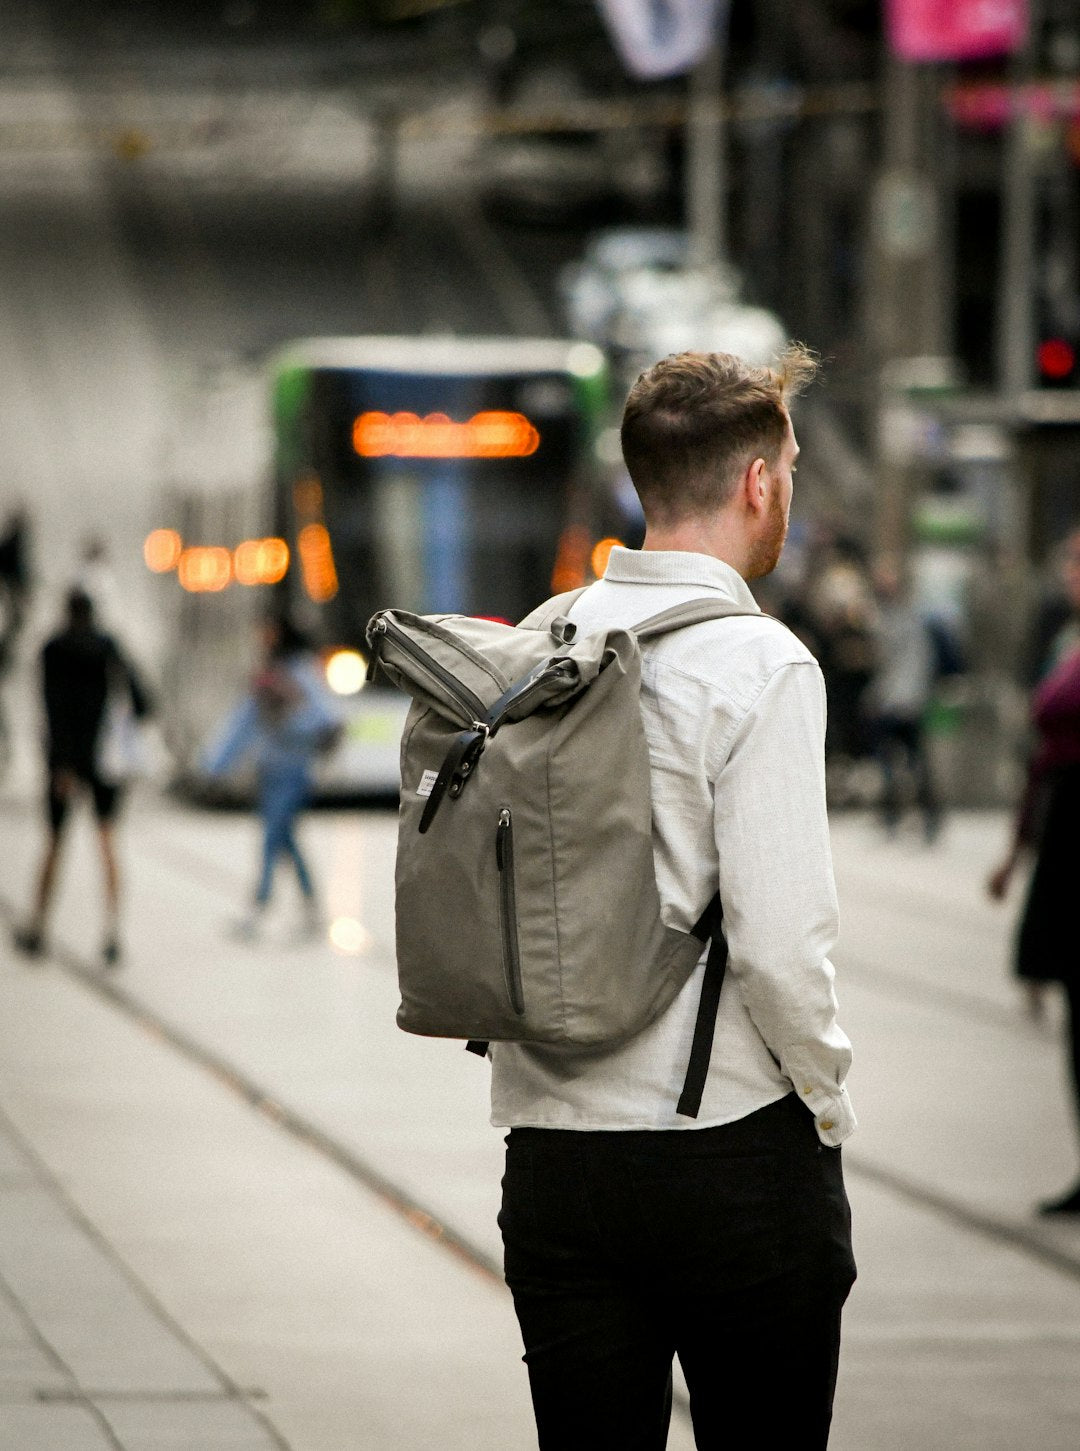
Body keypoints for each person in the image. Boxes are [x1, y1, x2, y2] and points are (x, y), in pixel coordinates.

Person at [492, 348, 857, 1450]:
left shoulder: (542, 637)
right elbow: (784, 947)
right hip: (729, 1157)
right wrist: (827, 1102)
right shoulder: (763, 664)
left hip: (553, 1156)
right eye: (789, 465)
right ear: (758, 482)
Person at [988, 524, 1080, 1215]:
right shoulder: (1066, 643)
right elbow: (1040, 766)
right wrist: (1014, 853)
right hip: (1066, 837)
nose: (1069, 572)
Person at [13, 589, 151, 966]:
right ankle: (112, 932)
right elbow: (143, 701)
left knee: (54, 845)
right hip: (105, 761)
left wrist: (62, 764)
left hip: (66, 762)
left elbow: (52, 709)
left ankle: (38, 925)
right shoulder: (109, 647)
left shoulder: (53, 649)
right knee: (107, 842)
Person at [203, 615, 339, 941]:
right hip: (270, 773)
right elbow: (243, 724)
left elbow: (325, 719)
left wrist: (288, 717)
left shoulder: (301, 672)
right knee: (285, 841)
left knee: (271, 840)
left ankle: (258, 909)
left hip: (294, 772)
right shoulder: (269, 675)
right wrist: (214, 765)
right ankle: (312, 908)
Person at [864, 555, 942, 841]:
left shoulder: (906, 621)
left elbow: (910, 664)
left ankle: (925, 816)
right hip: (895, 700)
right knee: (897, 762)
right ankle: (896, 815)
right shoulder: (888, 618)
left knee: (912, 762)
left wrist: (900, 698)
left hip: (904, 703)